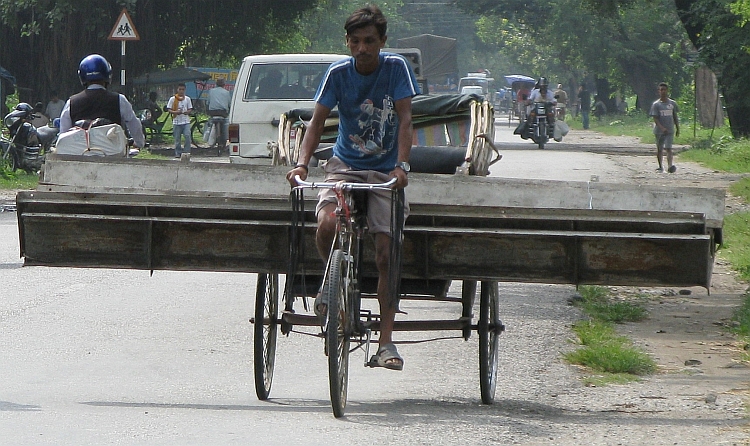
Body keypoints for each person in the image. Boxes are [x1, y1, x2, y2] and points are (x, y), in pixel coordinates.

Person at [285, 5, 420, 371]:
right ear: (348, 42)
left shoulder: (395, 70)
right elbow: (315, 124)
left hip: (383, 172)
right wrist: (301, 163)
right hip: (344, 166)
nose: (363, 48)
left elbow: (406, 119)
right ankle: (330, 284)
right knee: (327, 222)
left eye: (370, 41)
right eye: (356, 41)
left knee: (385, 253)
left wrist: (401, 166)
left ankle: (387, 343)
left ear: (382, 42)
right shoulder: (337, 74)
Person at [59, 54, 145, 149]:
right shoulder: (119, 100)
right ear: (108, 74)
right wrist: (139, 142)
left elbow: (63, 135)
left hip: (79, 156)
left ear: (82, 76)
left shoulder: (71, 102)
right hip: (113, 156)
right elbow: (134, 125)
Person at [649, 82, 680, 173]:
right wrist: (662, 128)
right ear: (659, 91)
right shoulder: (656, 105)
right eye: (661, 90)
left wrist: (678, 128)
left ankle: (670, 165)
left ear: (667, 90)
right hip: (659, 131)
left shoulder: (672, 103)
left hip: (670, 129)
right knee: (660, 148)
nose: (663, 91)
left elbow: (675, 116)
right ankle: (660, 166)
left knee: (669, 148)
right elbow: (655, 119)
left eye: (664, 89)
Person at [166, 83, 193, 157]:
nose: (181, 91)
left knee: (187, 136)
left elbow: (190, 109)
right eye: (180, 89)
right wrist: (176, 112)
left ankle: (186, 152)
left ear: (185, 90)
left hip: (186, 121)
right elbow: (169, 109)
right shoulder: (173, 99)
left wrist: (186, 112)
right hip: (177, 122)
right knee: (177, 139)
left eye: (183, 89)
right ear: (177, 90)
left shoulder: (187, 99)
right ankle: (178, 153)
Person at [206, 77, 232, 147]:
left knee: (209, 123)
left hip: (212, 112)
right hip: (223, 113)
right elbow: (229, 104)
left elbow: (207, 102)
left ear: (216, 84)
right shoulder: (227, 92)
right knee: (225, 124)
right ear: (224, 84)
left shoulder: (211, 91)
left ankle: (209, 140)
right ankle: (223, 142)